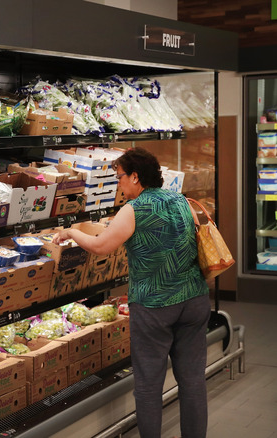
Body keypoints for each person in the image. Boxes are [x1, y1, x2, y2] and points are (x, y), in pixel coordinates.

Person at [52, 147, 210, 438]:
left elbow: (101, 246)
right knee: (192, 382)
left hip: (155, 306)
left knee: (149, 386)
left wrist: (72, 232)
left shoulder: (134, 209)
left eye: (120, 177)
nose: (119, 183)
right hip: (195, 299)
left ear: (136, 177)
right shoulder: (181, 200)